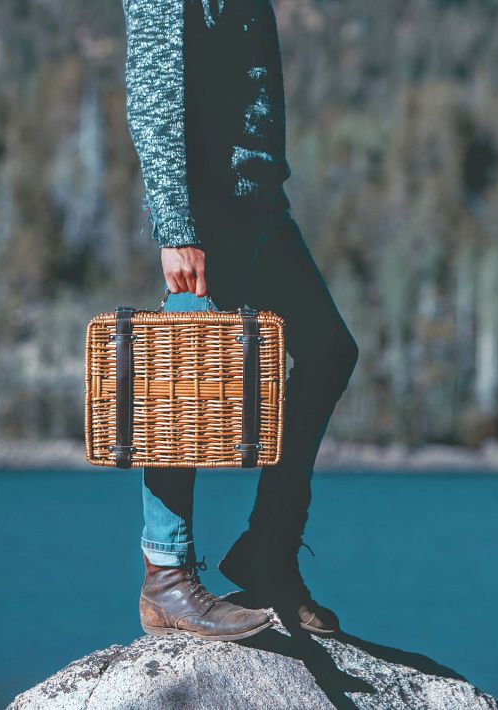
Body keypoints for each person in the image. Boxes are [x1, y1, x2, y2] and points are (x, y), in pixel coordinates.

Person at [121, 0, 359, 640]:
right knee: (184, 378)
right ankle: (166, 575)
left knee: (329, 350)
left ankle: (268, 551)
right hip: (206, 209)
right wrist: (177, 229)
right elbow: (151, 93)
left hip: (258, 206)